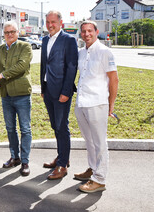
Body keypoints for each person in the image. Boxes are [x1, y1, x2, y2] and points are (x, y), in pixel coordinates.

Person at [74, 20, 119, 193]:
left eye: (90, 31)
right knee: (89, 140)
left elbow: (114, 80)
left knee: (100, 142)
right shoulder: (81, 53)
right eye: (83, 31)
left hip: (97, 103)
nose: (86, 34)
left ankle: (100, 179)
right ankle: (93, 169)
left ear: (96, 31)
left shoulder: (105, 52)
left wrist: (111, 105)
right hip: (82, 103)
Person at [40, 10, 78, 180]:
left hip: (62, 91)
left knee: (62, 126)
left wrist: (66, 91)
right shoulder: (45, 39)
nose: (50, 25)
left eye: (53, 22)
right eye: (47, 22)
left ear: (61, 23)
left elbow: (72, 67)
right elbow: (43, 65)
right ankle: (63, 156)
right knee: (55, 125)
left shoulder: (68, 40)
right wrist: (42, 88)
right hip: (48, 89)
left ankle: (62, 166)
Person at [0, 21, 33, 176]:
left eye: (12, 31)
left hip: (22, 93)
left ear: (18, 32)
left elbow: (22, 66)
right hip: (6, 94)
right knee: (10, 129)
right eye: (6, 32)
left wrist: (2, 75)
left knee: (25, 128)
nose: (9, 34)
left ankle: (25, 161)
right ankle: (14, 157)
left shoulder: (25, 47)